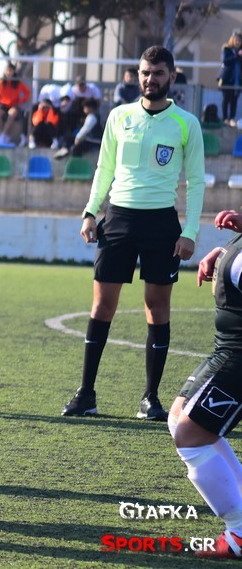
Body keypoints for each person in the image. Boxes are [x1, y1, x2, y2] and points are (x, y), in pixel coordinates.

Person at [62, 46, 206, 420]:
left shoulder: (186, 123)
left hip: (161, 224)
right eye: (145, 72)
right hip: (118, 219)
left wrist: (190, 231)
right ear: (138, 75)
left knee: (156, 308)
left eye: (157, 73)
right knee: (101, 305)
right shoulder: (119, 116)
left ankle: (149, 398)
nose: (150, 79)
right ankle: (86, 394)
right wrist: (90, 212)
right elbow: (104, 168)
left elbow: (195, 181)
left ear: (171, 76)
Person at [169, 208, 242, 559]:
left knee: (190, 435)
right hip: (225, 347)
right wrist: (227, 254)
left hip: (239, 356)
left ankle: (239, 532)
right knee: (178, 417)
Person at [0, 63, 31, 146]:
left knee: (11, 114)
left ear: (14, 72)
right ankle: (5, 135)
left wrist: (21, 101)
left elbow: (27, 92)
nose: (9, 73)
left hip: (14, 105)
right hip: (2, 105)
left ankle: (2, 136)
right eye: (7, 70)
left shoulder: (18, 83)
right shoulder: (0, 82)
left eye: (11, 71)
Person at [218, 31, 242, 127]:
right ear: (232, 40)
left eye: (239, 41)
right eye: (236, 40)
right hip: (227, 79)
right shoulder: (227, 49)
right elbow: (225, 61)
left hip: (237, 81)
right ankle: (225, 118)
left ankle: (232, 118)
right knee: (226, 99)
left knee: (234, 100)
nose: (238, 42)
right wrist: (237, 55)